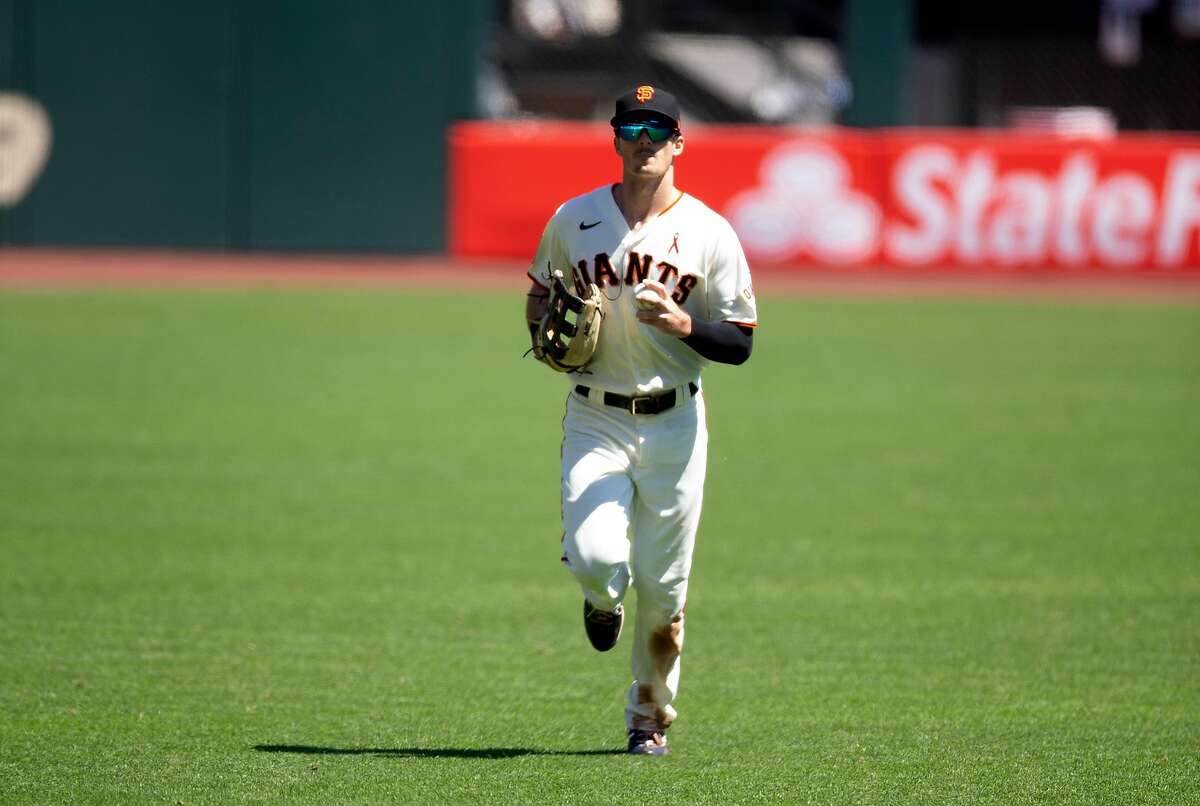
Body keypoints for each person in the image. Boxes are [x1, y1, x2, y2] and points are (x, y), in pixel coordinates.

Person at [524, 85, 758, 756]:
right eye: (633, 128)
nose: (645, 139)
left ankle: (648, 719)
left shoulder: (710, 232)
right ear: (617, 139)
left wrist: (685, 323)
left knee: (666, 590)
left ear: (679, 142)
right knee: (599, 560)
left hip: (676, 425)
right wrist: (546, 335)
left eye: (659, 128)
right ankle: (601, 599)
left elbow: (741, 341)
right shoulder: (575, 218)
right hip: (596, 415)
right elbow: (541, 293)